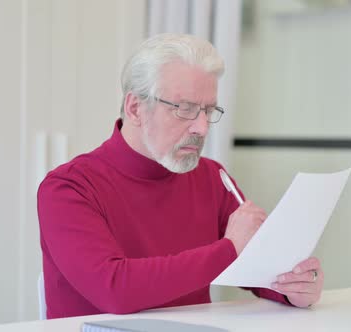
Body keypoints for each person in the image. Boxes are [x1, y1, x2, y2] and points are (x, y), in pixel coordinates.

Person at [37, 33, 324, 319]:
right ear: (135, 108)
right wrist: (229, 249)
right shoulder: (68, 188)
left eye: (208, 111)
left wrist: (291, 288)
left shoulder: (212, 177)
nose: (201, 127)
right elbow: (114, 290)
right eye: (185, 109)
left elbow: (255, 266)